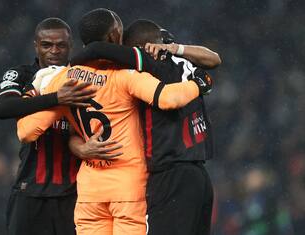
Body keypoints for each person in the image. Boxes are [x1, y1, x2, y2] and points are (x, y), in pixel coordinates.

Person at [16, 8, 212, 235]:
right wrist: (199, 84)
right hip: (128, 187)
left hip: (91, 189)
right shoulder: (125, 77)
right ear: (113, 37)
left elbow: (26, 132)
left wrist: (43, 100)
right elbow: (169, 98)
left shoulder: (64, 80)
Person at [70, 19, 219, 235]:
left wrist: (72, 64)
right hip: (200, 176)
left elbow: (96, 49)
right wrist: (179, 53)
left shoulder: (149, 62)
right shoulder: (184, 61)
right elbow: (215, 59)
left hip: (170, 175)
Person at [0, 18, 101, 235]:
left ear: (71, 46)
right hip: (30, 190)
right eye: (47, 45)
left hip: (73, 193)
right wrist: (57, 98)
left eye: (61, 45)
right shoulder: (22, 75)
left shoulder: (83, 78)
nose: (54, 51)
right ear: (36, 46)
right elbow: (3, 108)